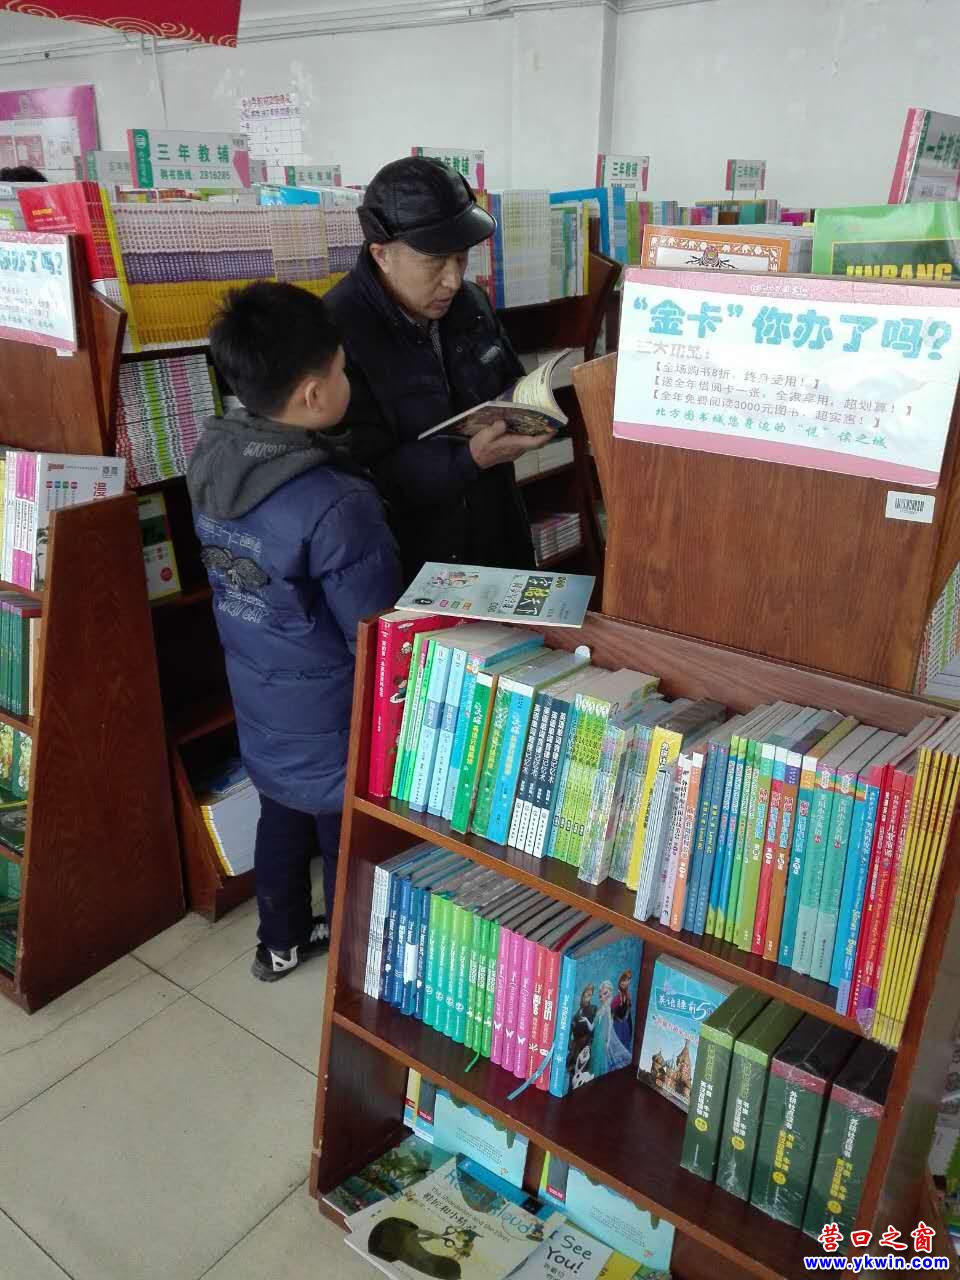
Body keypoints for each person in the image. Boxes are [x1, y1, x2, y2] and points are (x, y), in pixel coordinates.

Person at [186, 281, 401, 982]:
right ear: (313, 393)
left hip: (261, 697)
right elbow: (373, 629)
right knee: (344, 833)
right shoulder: (335, 501)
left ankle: (276, 944)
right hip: (333, 712)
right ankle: (350, 966)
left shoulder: (213, 459)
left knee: (280, 811)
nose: (346, 380)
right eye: (341, 369)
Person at [326, 156, 554, 580]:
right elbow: (357, 479)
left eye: (461, 258)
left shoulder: (470, 303)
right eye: (435, 263)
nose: (452, 280)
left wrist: (529, 410)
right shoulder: (336, 332)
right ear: (382, 255)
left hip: (499, 535)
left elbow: (507, 380)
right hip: (417, 566)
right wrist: (468, 459)